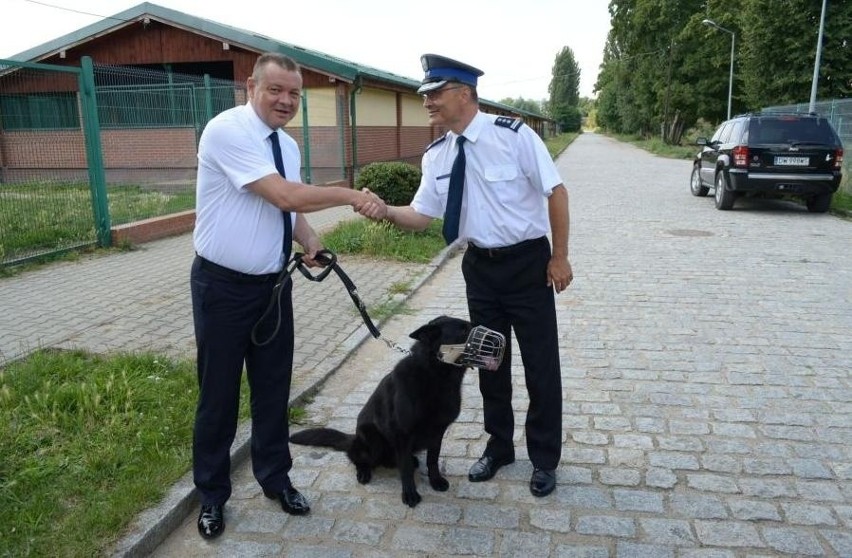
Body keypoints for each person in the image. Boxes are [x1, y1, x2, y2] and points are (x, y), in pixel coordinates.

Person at [358, 53, 572, 498]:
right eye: (426, 96)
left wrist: (560, 257)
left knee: (541, 367)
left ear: (465, 94)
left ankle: (545, 458)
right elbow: (421, 215)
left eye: (435, 94)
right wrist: (384, 211)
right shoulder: (438, 155)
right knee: (488, 361)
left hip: (528, 265)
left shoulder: (513, 137)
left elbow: (556, 191)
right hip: (480, 268)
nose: (427, 103)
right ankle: (499, 448)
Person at [191, 52, 376, 540]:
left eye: (294, 93)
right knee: (219, 396)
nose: (286, 101)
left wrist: (311, 242)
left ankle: (275, 479)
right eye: (276, 90)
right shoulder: (227, 131)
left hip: (273, 287)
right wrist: (351, 195)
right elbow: (284, 196)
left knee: (273, 393)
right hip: (223, 289)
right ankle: (211, 495)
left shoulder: (287, 146)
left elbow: (289, 213)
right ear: (251, 85)